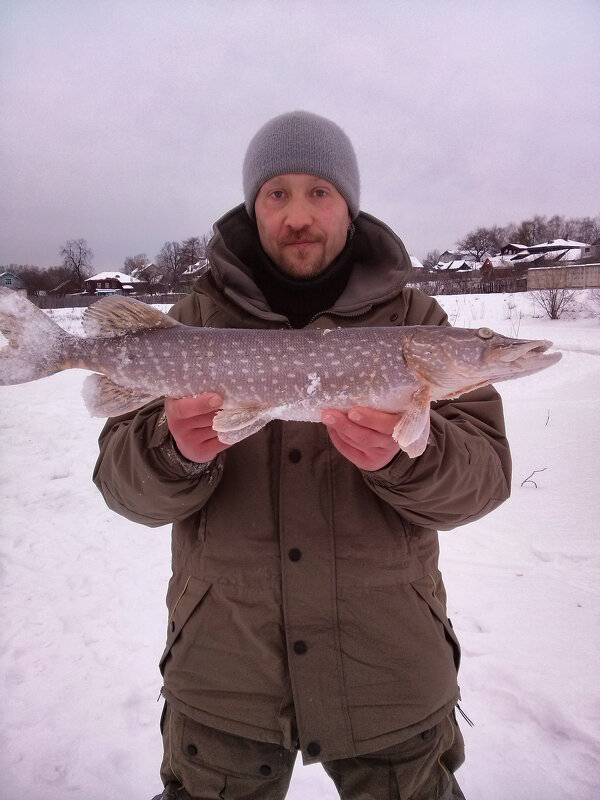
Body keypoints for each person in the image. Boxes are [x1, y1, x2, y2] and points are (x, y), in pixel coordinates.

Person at [93, 111, 512, 800]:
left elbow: (484, 480)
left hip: (391, 676)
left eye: (319, 192)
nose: (298, 215)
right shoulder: (192, 321)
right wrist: (174, 452)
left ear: (349, 205)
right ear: (252, 206)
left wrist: (406, 457)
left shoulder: (419, 327)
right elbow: (122, 488)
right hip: (224, 678)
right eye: (276, 193)